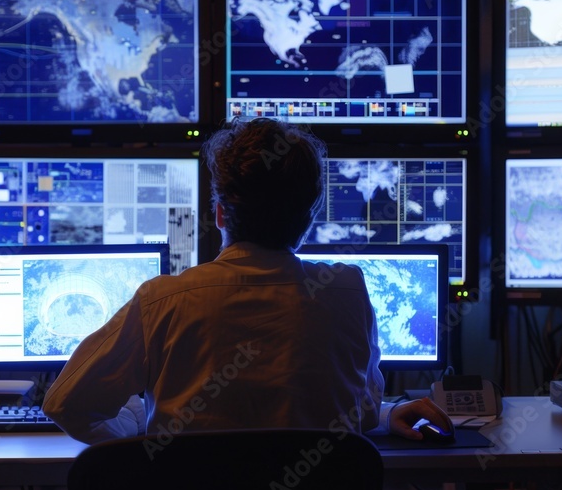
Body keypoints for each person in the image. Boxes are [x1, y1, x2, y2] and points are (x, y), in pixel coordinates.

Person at [43, 117, 453, 444]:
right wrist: (386, 413)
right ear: (309, 217)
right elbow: (357, 414)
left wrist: (132, 433)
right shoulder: (347, 291)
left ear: (220, 214)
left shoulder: (162, 301)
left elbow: (65, 405)